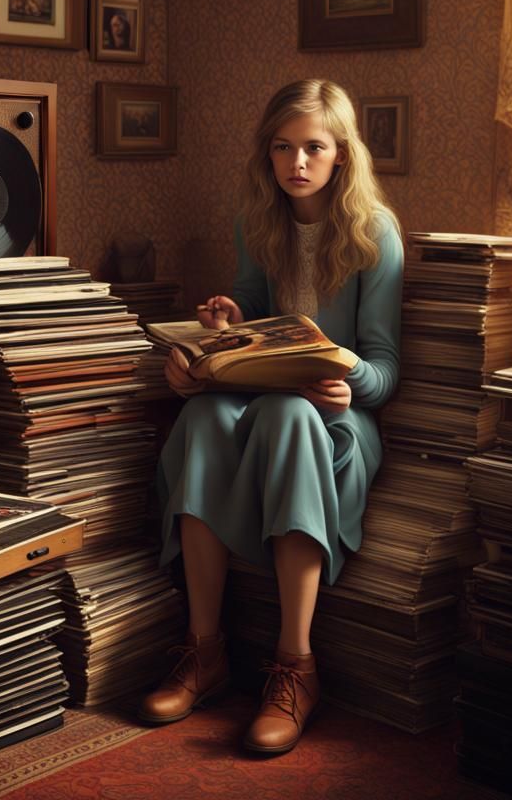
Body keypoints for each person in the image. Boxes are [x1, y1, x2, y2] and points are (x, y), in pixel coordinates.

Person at [138, 79, 403, 756]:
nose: (297, 162)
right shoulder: (256, 220)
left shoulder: (376, 233)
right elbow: (256, 322)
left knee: (288, 415)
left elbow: (383, 367)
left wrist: (351, 379)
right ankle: (204, 650)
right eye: (283, 147)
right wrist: (224, 331)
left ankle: (295, 666)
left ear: (341, 153)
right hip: (261, 402)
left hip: (336, 423)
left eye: (314, 147)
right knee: (197, 420)